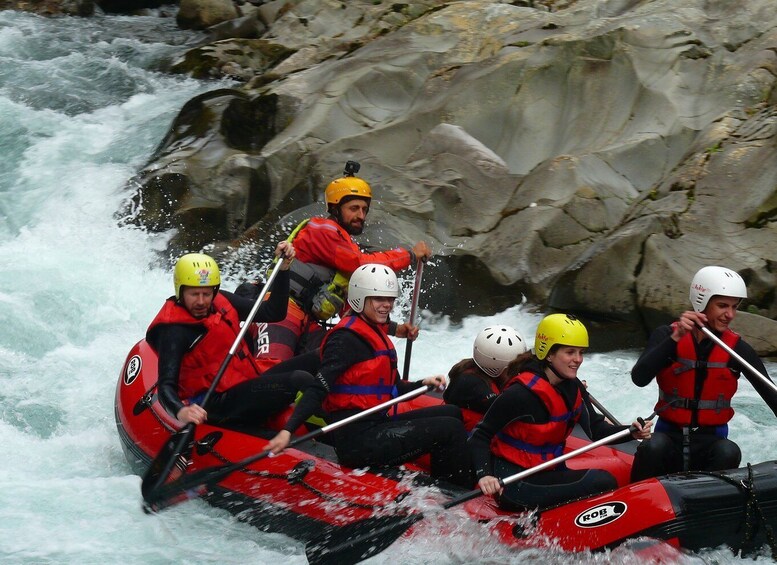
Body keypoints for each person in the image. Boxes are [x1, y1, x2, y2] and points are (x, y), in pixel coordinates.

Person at [267, 263, 472, 487]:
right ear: (359, 299)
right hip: (357, 442)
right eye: (378, 299)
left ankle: (446, 479)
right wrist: (288, 431)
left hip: (375, 423)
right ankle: (455, 493)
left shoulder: (374, 330)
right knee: (449, 430)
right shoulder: (345, 339)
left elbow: (392, 388)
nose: (387, 305)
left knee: (452, 413)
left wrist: (422, 383)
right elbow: (319, 387)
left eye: (390, 299)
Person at [469, 313, 652, 511]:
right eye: (570, 352)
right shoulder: (520, 394)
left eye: (581, 352)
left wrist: (631, 431)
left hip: (547, 471)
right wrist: (484, 474)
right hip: (514, 483)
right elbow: (480, 434)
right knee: (602, 481)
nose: (578, 360)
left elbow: (596, 430)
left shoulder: (573, 388)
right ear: (548, 354)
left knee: (602, 480)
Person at [261, 160, 432, 361]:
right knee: (271, 367)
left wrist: (394, 329)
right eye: (354, 208)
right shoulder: (322, 230)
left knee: (340, 361)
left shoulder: (344, 243)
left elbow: (353, 303)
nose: (361, 215)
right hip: (282, 309)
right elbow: (362, 266)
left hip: (307, 319)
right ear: (335, 208)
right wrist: (409, 255)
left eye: (364, 209)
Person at [630, 266, 777, 481]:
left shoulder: (737, 349)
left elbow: (771, 394)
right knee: (653, 446)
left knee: (729, 451)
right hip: (669, 438)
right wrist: (676, 338)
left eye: (734, 307)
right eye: (722, 306)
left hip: (710, 443)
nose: (730, 314)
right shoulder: (667, 335)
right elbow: (639, 378)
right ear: (701, 302)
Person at [146, 243, 317, 428]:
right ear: (180, 291)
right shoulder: (173, 330)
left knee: (321, 355)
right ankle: (325, 429)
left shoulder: (221, 300)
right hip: (215, 403)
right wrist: (181, 411)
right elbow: (165, 386)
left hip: (245, 381)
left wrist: (283, 270)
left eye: (206, 293)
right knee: (299, 379)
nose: (202, 301)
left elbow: (273, 313)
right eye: (194, 294)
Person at [444, 325, 527, 422]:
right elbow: (506, 410)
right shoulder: (473, 385)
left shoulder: (474, 368)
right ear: (496, 368)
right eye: (513, 369)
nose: (518, 372)